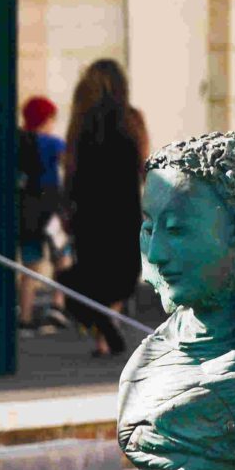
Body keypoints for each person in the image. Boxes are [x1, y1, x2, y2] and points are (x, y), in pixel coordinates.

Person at [61, 59, 152, 358]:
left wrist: (65, 207)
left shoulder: (80, 120)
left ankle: (102, 333)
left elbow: (70, 167)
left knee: (92, 269)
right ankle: (108, 318)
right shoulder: (132, 119)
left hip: (87, 207)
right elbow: (145, 164)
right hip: (123, 204)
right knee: (124, 270)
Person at [16, 94, 66, 331]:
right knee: (62, 257)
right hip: (52, 209)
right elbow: (70, 163)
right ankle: (57, 306)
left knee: (30, 267)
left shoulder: (18, 142)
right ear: (46, 119)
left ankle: (24, 319)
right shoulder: (53, 143)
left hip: (26, 211)